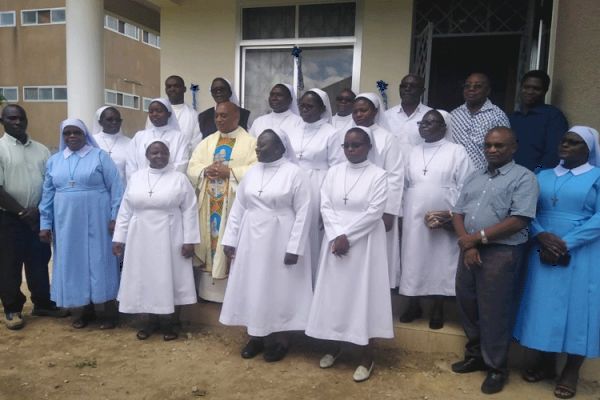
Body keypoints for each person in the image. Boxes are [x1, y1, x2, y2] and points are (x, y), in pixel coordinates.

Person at [513, 126, 600, 399]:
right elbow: (528, 210)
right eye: (565, 140)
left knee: (577, 309)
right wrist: (541, 235)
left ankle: (571, 371)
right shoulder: (543, 174)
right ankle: (545, 362)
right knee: (544, 306)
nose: (567, 145)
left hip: (581, 251)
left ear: (588, 150)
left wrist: (565, 244)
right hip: (542, 247)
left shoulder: (597, 177)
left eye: (575, 143)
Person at [451, 127, 538, 394]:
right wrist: (468, 243)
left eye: (499, 146)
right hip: (470, 249)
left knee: (495, 311)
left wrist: (476, 239)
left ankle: (496, 368)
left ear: (513, 147)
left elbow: (519, 219)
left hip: (501, 252)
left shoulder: (524, 178)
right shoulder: (474, 176)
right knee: (468, 303)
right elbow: (457, 212)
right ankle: (476, 356)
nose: (492, 150)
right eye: (488, 145)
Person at [306, 126, 392, 383]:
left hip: (364, 243)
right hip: (335, 241)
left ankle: (366, 356)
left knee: (362, 296)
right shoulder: (333, 172)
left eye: (357, 145)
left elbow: (374, 212)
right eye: (347, 145)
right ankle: (334, 346)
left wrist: (347, 237)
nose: (351, 150)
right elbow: (325, 204)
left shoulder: (379, 175)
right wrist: (336, 235)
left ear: (368, 147)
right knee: (335, 295)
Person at [220, 129, 312, 362]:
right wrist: (230, 240)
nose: (257, 149)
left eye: (263, 146)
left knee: (278, 287)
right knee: (254, 285)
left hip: (280, 237)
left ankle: (281, 338)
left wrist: (295, 247)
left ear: (280, 148)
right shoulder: (252, 173)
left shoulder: (295, 173)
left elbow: (303, 212)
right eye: (257, 145)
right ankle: (256, 336)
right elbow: (239, 208)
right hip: (251, 237)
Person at [39, 119, 123, 329]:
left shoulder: (99, 156)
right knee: (75, 262)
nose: (72, 136)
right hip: (66, 221)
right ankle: (85, 309)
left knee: (100, 259)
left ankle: (109, 311)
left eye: (77, 132)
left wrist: (115, 217)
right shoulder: (55, 160)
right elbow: (47, 194)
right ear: (62, 136)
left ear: (85, 134)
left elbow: (117, 187)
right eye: (67, 133)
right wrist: (44, 224)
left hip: (98, 217)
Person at [113, 139, 200, 341]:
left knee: (169, 277)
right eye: (154, 153)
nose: (159, 156)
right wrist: (119, 238)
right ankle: (149, 321)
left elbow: (190, 210)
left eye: (163, 153)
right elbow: (125, 210)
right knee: (144, 277)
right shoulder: (136, 177)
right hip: (140, 236)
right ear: (147, 156)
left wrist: (190, 240)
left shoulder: (179, 179)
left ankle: (170, 323)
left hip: (170, 235)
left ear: (169, 155)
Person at [399, 110, 472, 329]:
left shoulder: (456, 151)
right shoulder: (412, 151)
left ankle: (438, 306)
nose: (424, 126)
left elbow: (466, 185)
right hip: (414, 212)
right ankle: (413, 303)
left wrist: (451, 215)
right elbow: (403, 183)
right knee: (414, 257)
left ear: (444, 127)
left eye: (432, 122)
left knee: (440, 258)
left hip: (443, 213)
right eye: (423, 122)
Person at [0, 105, 68, 330]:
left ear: (27, 120)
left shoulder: (42, 150)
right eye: (11, 118)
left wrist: (38, 209)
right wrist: (20, 211)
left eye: (21, 118)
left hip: (39, 215)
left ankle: (43, 302)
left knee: (39, 260)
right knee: (9, 264)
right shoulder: (0, 149)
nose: (17, 122)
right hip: (9, 218)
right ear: (3, 122)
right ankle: (12, 308)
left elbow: (51, 184)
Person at [187, 101, 257, 302]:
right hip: (209, 204)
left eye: (224, 116)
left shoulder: (250, 142)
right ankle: (209, 295)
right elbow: (192, 165)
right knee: (210, 245)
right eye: (217, 116)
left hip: (234, 205)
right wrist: (204, 170)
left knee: (230, 246)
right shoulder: (208, 141)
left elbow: (257, 168)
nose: (219, 119)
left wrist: (231, 172)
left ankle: (234, 297)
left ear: (236, 117)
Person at [287, 88, 344, 281]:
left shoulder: (332, 133)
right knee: (293, 232)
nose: (304, 109)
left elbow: (337, 168)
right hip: (293, 185)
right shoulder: (292, 130)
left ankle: (313, 283)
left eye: (309, 106)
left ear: (321, 108)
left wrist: (328, 200)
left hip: (319, 186)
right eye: (302, 105)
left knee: (313, 237)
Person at [352, 92, 404, 289]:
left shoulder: (387, 138)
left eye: (363, 110)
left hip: (380, 208)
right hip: (353, 206)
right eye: (355, 111)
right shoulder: (347, 136)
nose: (358, 114)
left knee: (377, 255)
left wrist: (390, 211)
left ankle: (377, 296)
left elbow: (395, 175)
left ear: (375, 111)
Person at [509, 70, 569, 172]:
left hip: (538, 176)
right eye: (526, 87)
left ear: (545, 91)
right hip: (509, 175)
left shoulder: (553, 116)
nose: (530, 91)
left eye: (536, 89)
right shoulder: (512, 117)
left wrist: (538, 172)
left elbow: (554, 153)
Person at [451, 73, 511, 170]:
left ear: (487, 91)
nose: (471, 89)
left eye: (478, 86)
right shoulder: (454, 115)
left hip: (485, 176)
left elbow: (506, 149)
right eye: (467, 86)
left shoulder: (497, 116)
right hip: (455, 175)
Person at [126, 98, 190, 180]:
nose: (154, 114)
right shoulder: (139, 136)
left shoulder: (179, 137)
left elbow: (181, 164)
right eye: (151, 112)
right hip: (141, 183)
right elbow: (131, 163)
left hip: (169, 183)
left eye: (159, 111)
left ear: (169, 114)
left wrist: (161, 179)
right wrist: (137, 180)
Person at [146, 75, 202, 150]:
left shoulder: (193, 115)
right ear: (165, 90)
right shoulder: (155, 114)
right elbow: (148, 136)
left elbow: (196, 143)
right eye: (169, 87)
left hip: (183, 159)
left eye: (176, 86)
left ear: (184, 89)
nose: (172, 89)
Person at [383, 74, 432, 152]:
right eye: (404, 86)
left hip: (421, 163)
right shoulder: (386, 116)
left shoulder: (431, 116)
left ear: (422, 90)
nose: (407, 89)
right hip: (392, 163)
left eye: (413, 86)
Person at [93, 106, 131, 186]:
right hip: (96, 189)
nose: (114, 122)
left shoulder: (129, 142)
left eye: (118, 120)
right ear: (100, 122)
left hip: (121, 189)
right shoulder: (92, 141)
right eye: (109, 119)